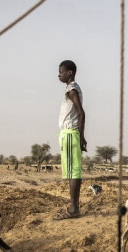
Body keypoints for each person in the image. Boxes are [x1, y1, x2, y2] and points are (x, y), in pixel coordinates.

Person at [54, 60, 87, 219]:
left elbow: (81, 113)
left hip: (70, 133)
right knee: (72, 171)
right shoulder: (72, 89)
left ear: (70, 73)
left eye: (61, 72)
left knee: (74, 172)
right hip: (69, 133)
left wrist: (81, 136)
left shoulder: (72, 89)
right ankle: (73, 206)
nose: (58, 74)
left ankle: (74, 209)